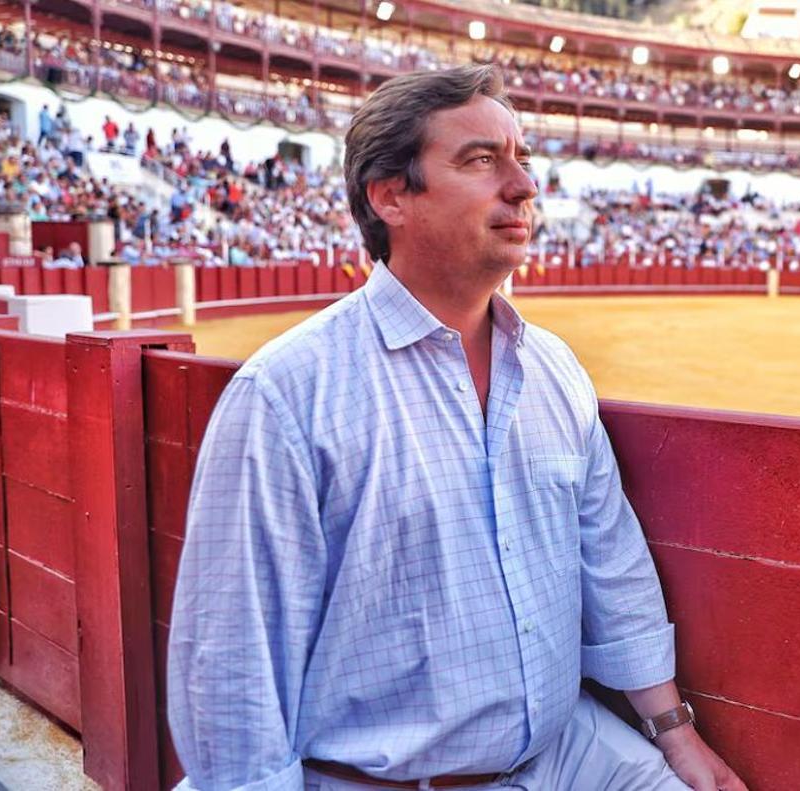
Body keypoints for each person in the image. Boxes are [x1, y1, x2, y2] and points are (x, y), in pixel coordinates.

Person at [167, 65, 747, 791]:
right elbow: (234, 661)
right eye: (481, 160)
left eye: (522, 158)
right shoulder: (288, 392)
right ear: (390, 196)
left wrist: (675, 734)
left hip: (568, 755)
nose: (524, 185)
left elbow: (612, 563)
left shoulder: (555, 369)